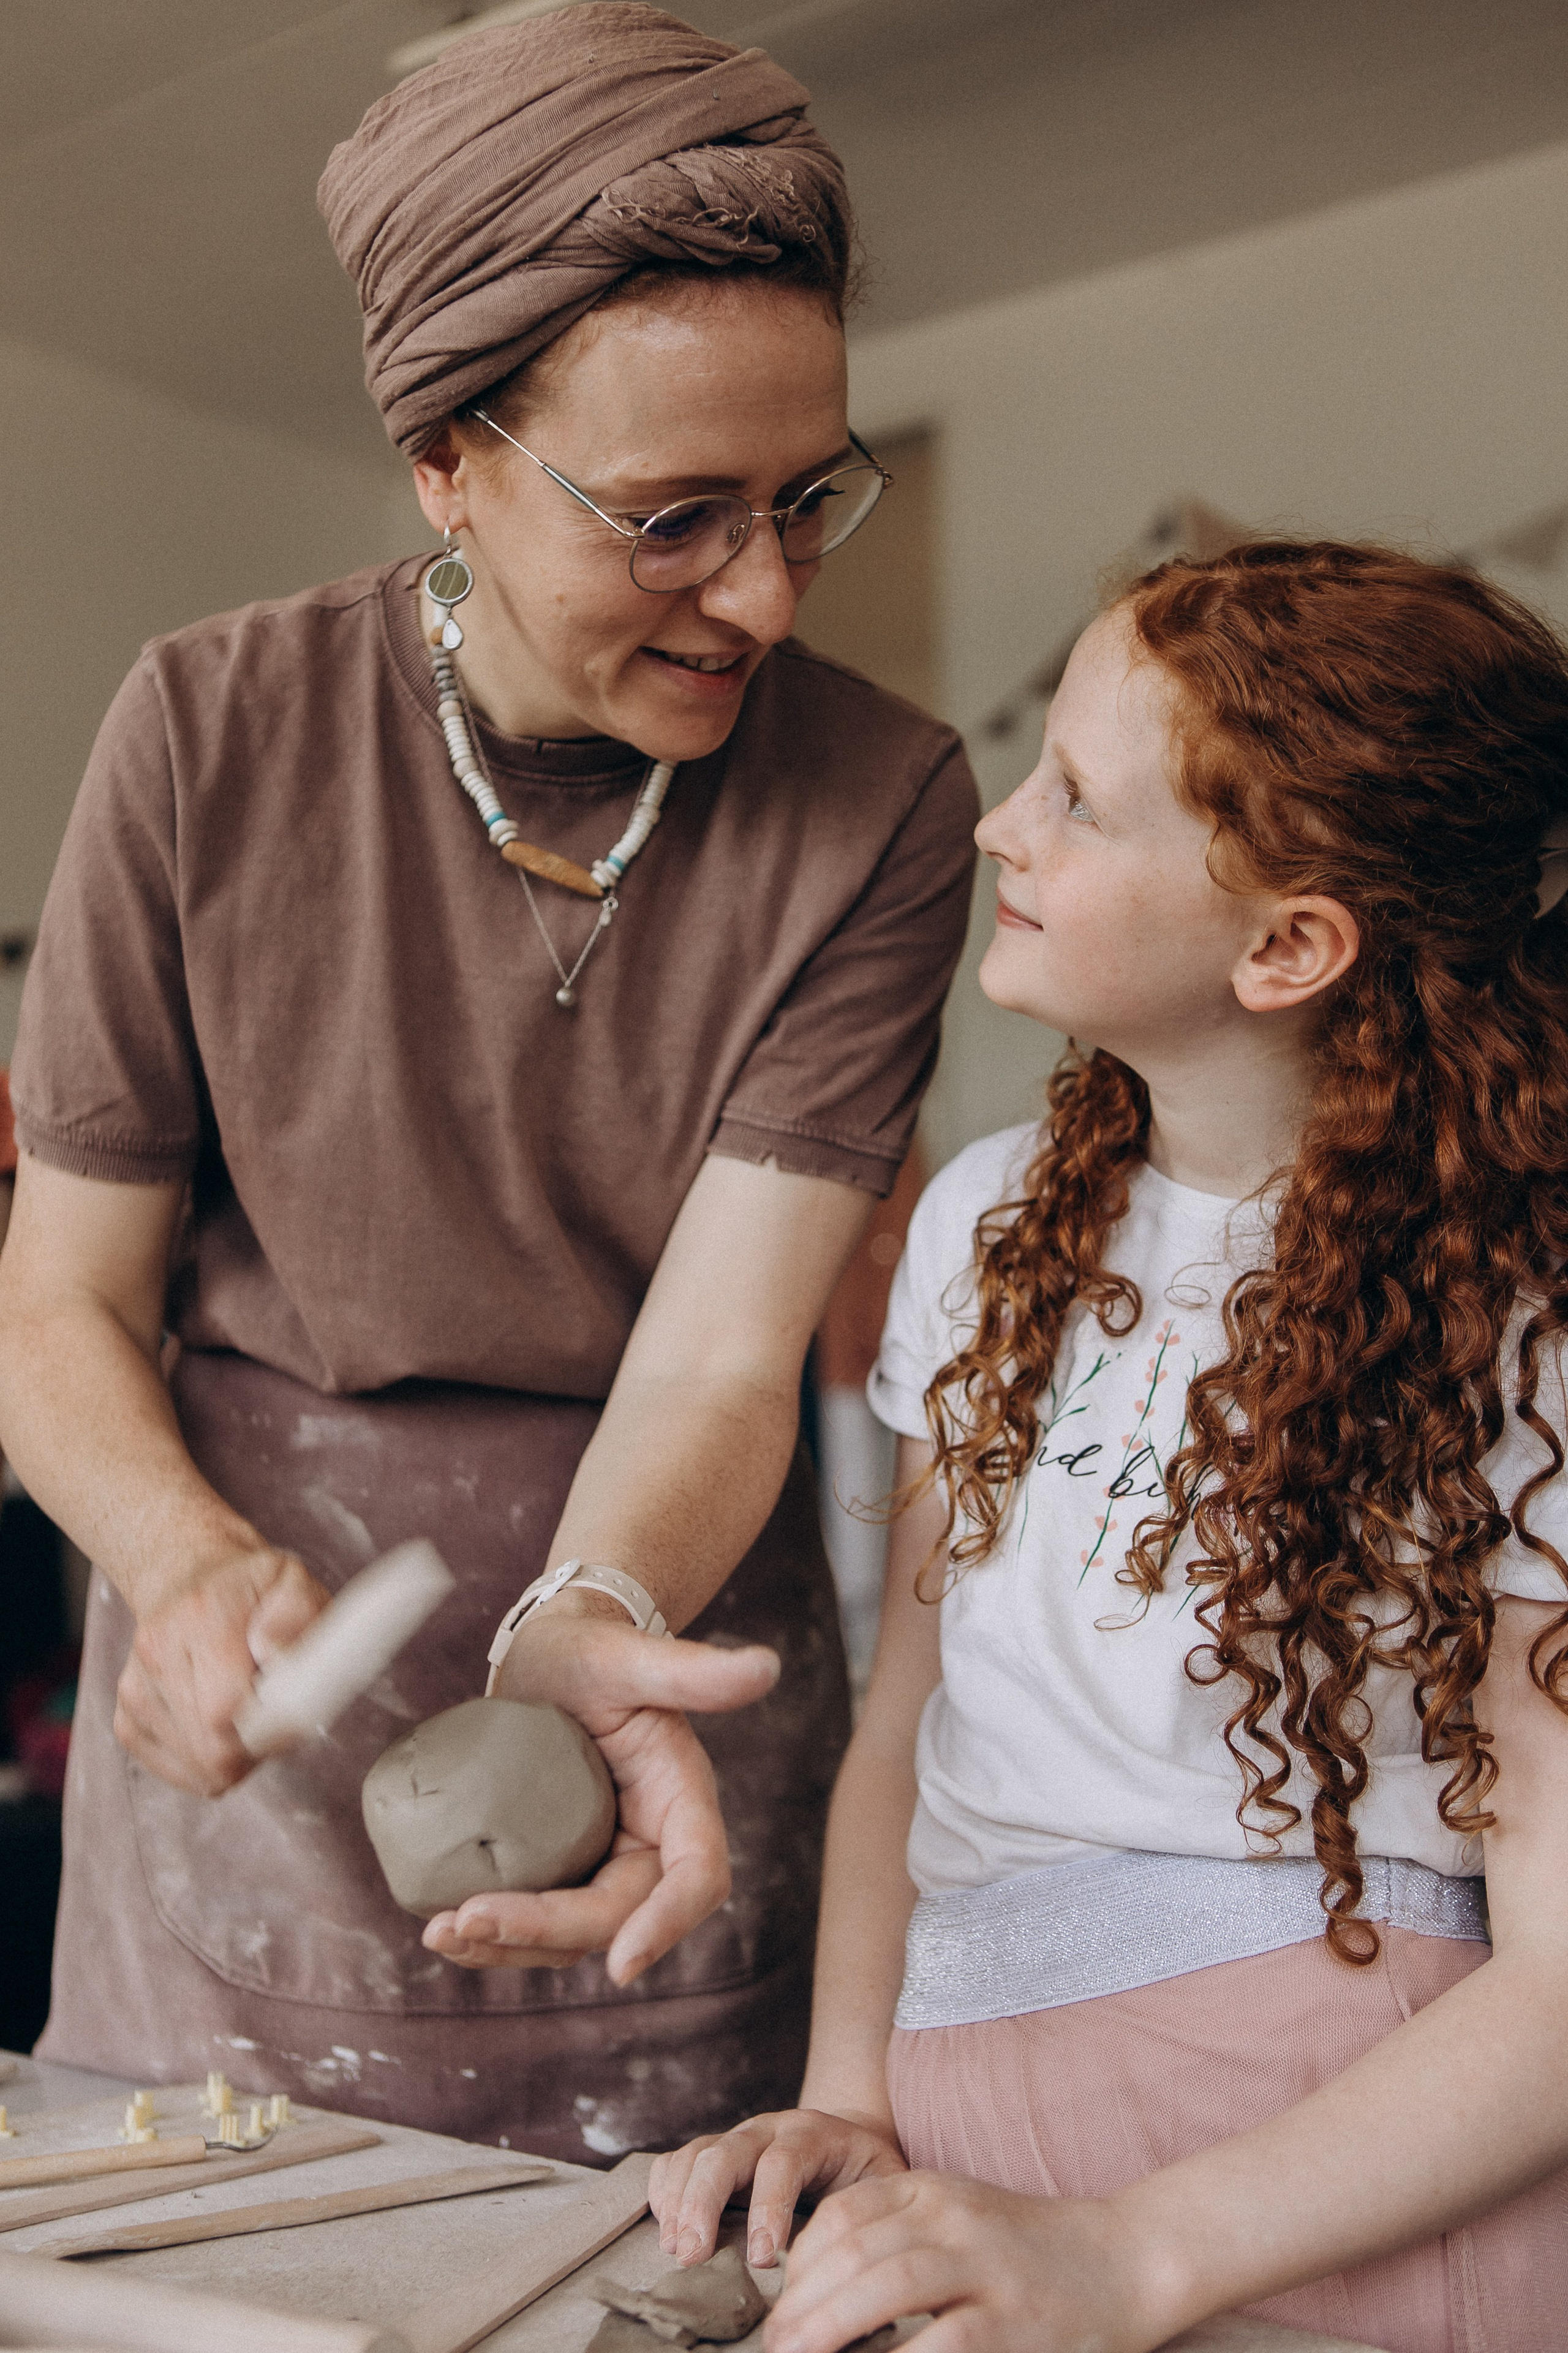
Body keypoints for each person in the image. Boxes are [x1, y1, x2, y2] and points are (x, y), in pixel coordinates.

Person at [0, 4, 977, 2158]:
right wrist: (174, 1562)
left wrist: (597, 1610)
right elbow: (55, 1300)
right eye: (672, 517)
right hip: (261, 1652)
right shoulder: (204, 733)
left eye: (809, 493)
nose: (765, 587)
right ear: (445, 457)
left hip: (652, 1640)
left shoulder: (885, 799)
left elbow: (729, 1355)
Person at [650, 542, 1568, 2352]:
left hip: (1312, 2187)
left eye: (1077, 796)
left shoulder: (1516, 1316)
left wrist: (1138, 2250)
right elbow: (909, 1714)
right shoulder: (991, 1226)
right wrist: (853, 2096)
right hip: (966, 2127)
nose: (1001, 826)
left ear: (1289, 943)